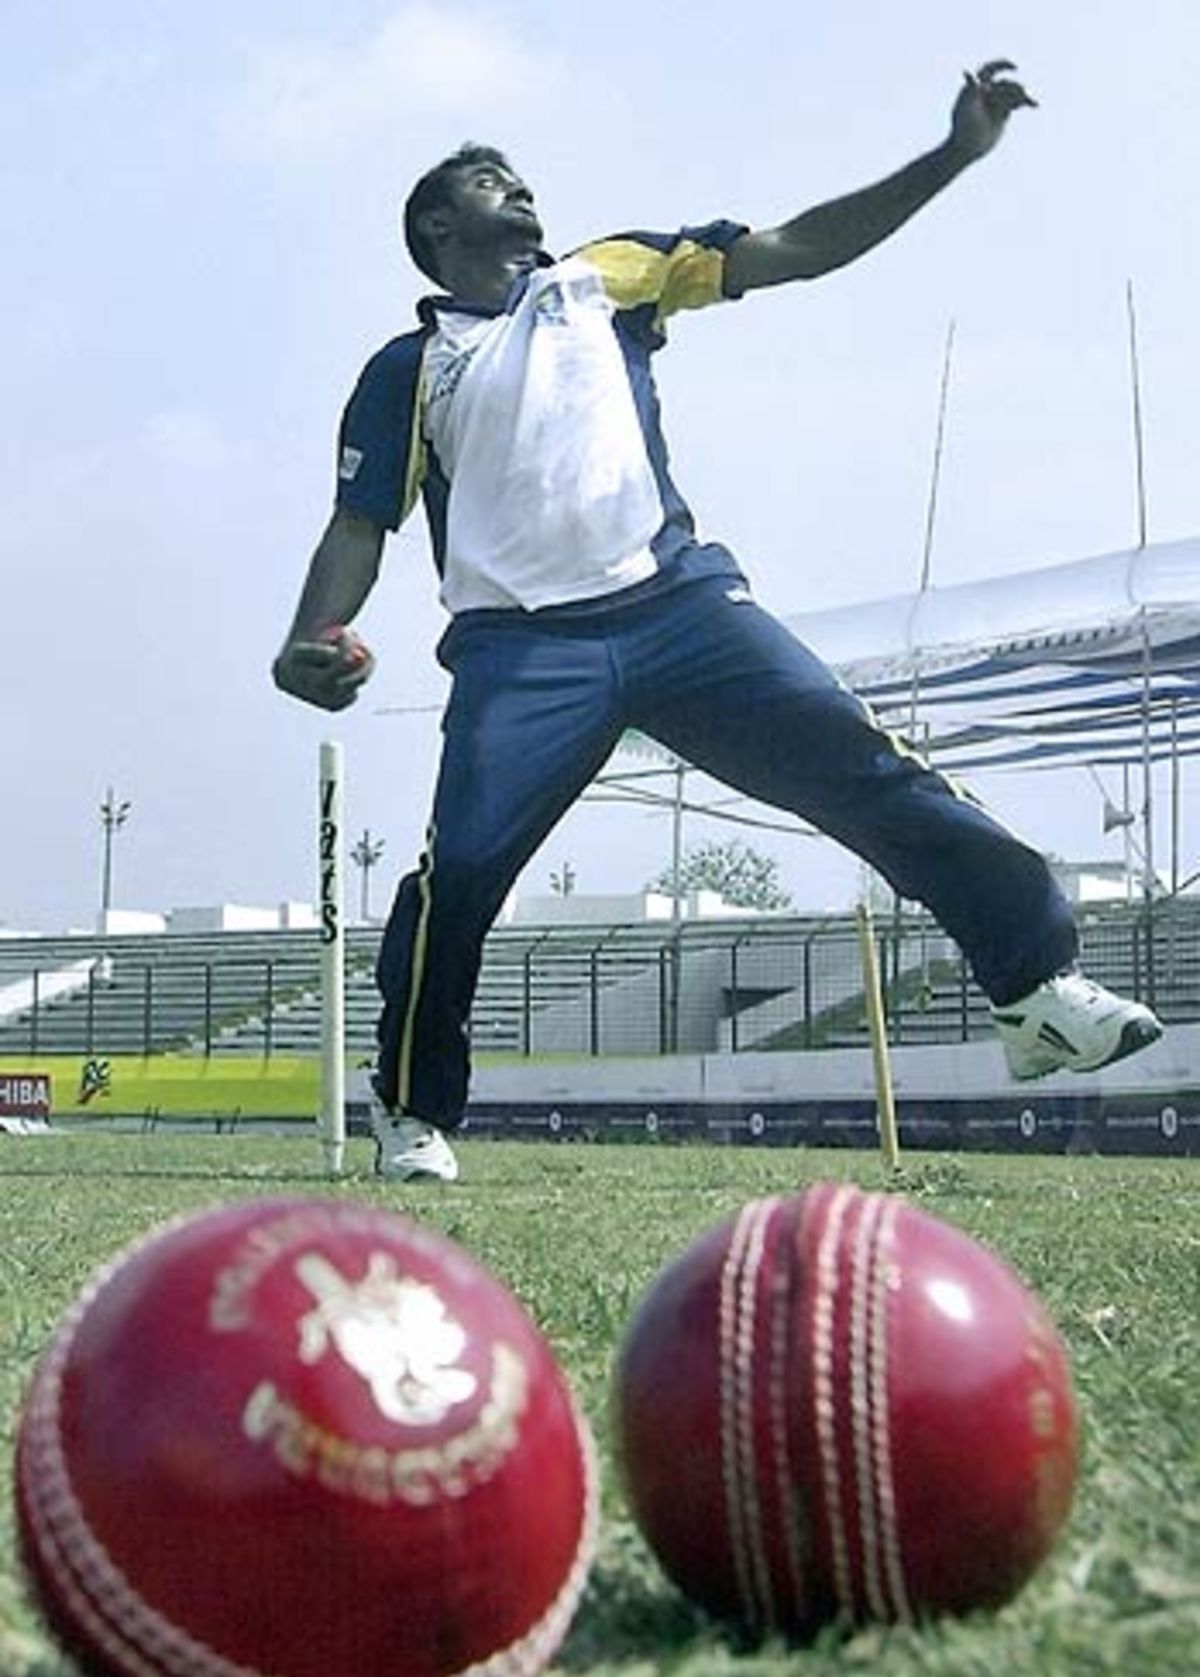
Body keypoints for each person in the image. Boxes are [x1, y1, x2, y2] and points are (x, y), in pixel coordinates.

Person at [274, 61, 1163, 1182]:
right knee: (460, 878)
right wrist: (307, 637)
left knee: (868, 764)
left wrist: (949, 158)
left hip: (678, 608)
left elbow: (798, 247)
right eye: (496, 182)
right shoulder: (409, 368)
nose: (527, 194)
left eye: (525, 178)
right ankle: (414, 1115)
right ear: (439, 226)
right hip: (523, 649)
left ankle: (1034, 986)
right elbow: (359, 528)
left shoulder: (607, 277)